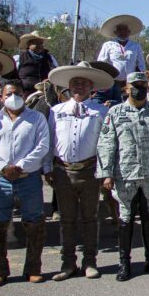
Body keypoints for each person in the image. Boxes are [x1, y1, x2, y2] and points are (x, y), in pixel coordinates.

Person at [0, 80, 52, 287]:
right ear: (0, 98)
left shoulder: (36, 118)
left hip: (28, 178)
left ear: (24, 94)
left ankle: (33, 269)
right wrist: (2, 166)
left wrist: (19, 166)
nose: (13, 96)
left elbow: (42, 145)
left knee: (34, 223)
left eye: (17, 93)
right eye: (8, 94)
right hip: (0, 179)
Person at [97, 72, 149, 281]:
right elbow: (106, 143)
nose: (139, 89)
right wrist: (106, 174)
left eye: (143, 85)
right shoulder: (116, 112)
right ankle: (124, 263)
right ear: (126, 88)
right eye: (135, 86)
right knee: (126, 219)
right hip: (125, 174)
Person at [44, 63, 112, 281]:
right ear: (68, 87)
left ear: (91, 87)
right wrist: (48, 168)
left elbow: (106, 143)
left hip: (90, 170)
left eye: (83, 83)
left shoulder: (101, 111)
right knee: (66, 219)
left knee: (90, 218)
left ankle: (90, 261)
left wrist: (105, 170)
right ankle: (67, 263)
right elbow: (50, 141)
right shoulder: (56, 112)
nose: (79, 87)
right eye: (75, 83)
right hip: (63, 170)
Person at [96, 14, 147, 93]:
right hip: (113, 81)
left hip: (131, 82)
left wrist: (143, 79)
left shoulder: (136, 46)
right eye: (120, 29)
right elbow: (101, 62)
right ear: (115, 32)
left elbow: (141, 64)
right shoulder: (108, 44)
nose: (123, 32)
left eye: (125, 29)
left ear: (129, 32)